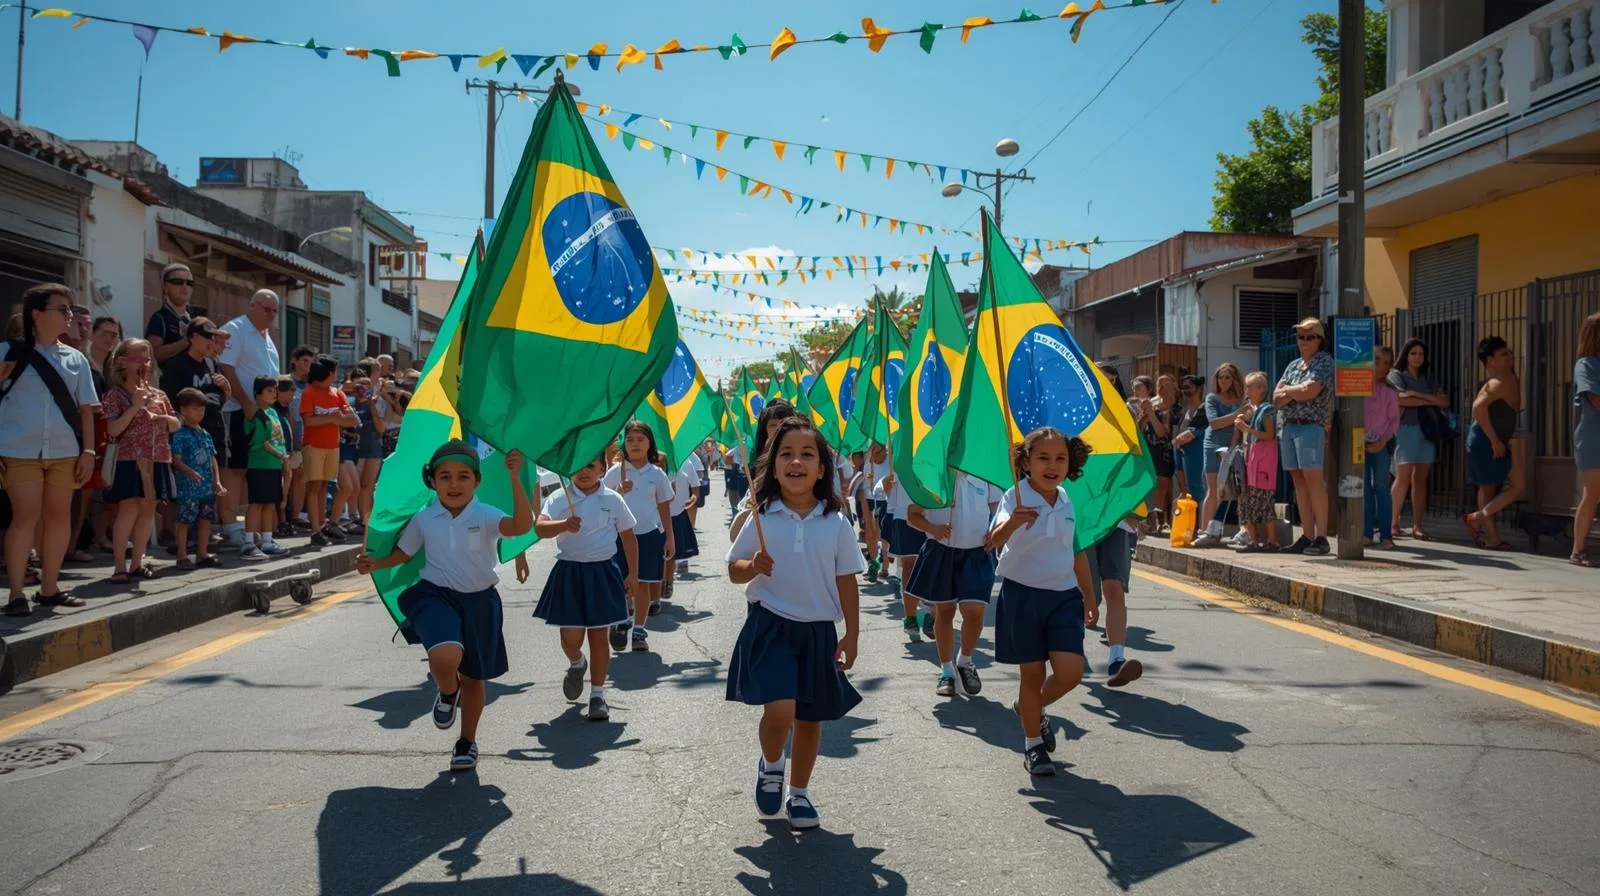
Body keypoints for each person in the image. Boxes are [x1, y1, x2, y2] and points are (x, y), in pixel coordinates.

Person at [356, 442, 533, 773]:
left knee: (474, 676)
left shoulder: (486, 514)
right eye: (445, 477)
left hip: (480, 601)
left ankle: (467, 741)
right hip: (435, 596)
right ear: (432, 481)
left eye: (463, 476)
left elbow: (521, 527)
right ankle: (448, 692)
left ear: (477, 482)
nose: (454, 484)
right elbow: (404, 555)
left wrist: (514, 478)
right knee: (445, 655)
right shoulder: (424, 519)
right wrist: (374, 564)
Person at [725, 417, 864, 830]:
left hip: (819, 630)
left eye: (807, 454)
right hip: (771, 626)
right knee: (781, 710)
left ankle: (799, 793)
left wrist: (851, 634)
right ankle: (771, 763)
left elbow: (846, 580)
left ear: (823, 469)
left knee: (809, 718)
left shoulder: (836, 522)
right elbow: (733, 569)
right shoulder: (762, 516)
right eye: (786, 453)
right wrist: (752, 565)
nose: (796, 461)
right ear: (772, 465)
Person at [988, 427, 1097, 777]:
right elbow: (991, 541)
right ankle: (1033, 744)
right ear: (1026, 462)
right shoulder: (1014, 497)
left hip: (1063, 597)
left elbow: (1075, 550)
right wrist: (1012, 525)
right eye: (1043, 458)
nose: (1052, 466)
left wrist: (1089, 594)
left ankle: (1028, 708)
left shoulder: (1065, 498)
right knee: (1032, 675)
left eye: (1060, 458)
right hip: (1022, 596)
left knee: (1070, 673)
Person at [0, 284, 98, 615]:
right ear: (38, 314)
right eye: (63, 309)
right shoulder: (7, 353)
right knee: (24, 516)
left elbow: (87, 409)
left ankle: (49, 588)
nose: (70, 316)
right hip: (18, 449)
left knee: (58, 518)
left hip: (65, 450)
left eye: (70, 310)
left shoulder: (76, 359)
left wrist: (89, 452)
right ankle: (16, 593)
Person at [531, 456, 638, 721]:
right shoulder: (560, 497)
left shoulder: (613, 499)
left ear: (602, 469)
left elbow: (628, 536)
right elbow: (540, 527)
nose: (584, 472)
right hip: (569, 572)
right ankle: (577, 662)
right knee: (571, 639)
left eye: (590, 465)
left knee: (599, 637)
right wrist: (563, 525)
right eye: (578, 465)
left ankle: (598, 695)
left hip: (602, 572)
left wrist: (633, 574)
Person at [905, 472, 1002, 698]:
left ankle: (965, 661)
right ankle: (946, 670)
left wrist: (996, 530)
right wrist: (933, 528)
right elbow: (913, 515)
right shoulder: (932, 476)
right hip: (941, 552)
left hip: (977, 553)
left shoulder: (984, 474)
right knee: (945, 612)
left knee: (975, 613)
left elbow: (999, 510)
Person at [102, 338, 179, 584]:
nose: (144, 363)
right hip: (129, 458)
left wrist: (166, 419)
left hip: (157, 457)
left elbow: (176, 423)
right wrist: (135, 407)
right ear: (122, 362)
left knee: (148, 510)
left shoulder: (159, 394)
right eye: (138, 358)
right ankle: (118, 566)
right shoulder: (115, 395)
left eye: (147, 358)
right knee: (128, 509)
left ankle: (137, 563)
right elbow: (113, 429)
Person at [217, 290, 282, 551]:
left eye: (275, 311)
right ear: (252, 306)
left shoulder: (267, 338)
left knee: (254, 470)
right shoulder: (236, 329)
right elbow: (226, 367)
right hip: (238, 411)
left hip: (264, 415)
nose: (271, 315)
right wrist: (245, 402)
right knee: (236, 469)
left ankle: (252, 528)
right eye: (267, 309)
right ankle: (230, 524)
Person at [603, 421, 675, 653]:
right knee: (619, 582)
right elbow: (601, 500)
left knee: (643, 583)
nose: (635, 444)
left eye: (640, 439)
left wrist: (669, 537)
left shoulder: (657, 473)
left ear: (649, 444)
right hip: (619, 537)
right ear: (624, 443)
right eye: (631, 439)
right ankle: (622, 619)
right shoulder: (616, 472)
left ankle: (639, 630)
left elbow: (664, 506)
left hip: (649, 535)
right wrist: (618, 490)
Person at [1273, 318, 1335, 555]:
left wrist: (1290, 392)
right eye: (1301, 337)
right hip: (1289, 426)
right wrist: (1294, 392)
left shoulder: (1324, 362)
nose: (1305, 341)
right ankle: (1307, 535)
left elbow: (1312, 390)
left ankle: (1321, 537)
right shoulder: (1293, 365)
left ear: (1320, 340)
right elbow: (1276, 398)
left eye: (1310, 337)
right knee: (1298, 481)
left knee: (1313, 479)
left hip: (1311, 426)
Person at [1463, 337, 1523, 551]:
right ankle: (1491, 537)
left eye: (1509, 352)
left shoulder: (1508, 378)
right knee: (1488, 487)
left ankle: (1479, 518)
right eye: (1503, 354)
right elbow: (1478, 409)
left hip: (1497, 440)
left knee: (1517, 485)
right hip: (1485, 440)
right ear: (1490, 360)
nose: (1510, 357)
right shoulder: (1497, 383)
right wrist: (1495, 440)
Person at [1389, 338, 1450, 540]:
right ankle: (1393, 522)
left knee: (1420, 477)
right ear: (1406, 355)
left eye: (1421, 354)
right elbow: (1399, 398)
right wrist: (1426, 398)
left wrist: (1418, 395)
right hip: (1405, 428)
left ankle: (1417, 525)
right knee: (1403, 475)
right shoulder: (1396, 375)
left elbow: (1443, 401)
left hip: (1427, 430)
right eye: (1413, 353)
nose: (1417, 357)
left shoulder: (1429, 378)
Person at [299, 355, 358, 546]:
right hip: (313, 445)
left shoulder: (337, 393)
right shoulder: (309, 393)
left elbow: (352, 419)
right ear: (330, 373)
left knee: (325, 486)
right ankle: (315, 529)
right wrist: (334, 419)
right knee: (314, 487)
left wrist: (331, 419)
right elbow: (309, 420)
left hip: (332, 446)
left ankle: (322, 525)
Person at [169, 388, 225, 570]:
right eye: (194, 408)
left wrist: (217, 481)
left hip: (206, 486)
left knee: (205, 519)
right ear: (183, 410)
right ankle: (182, 555)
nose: (199, 412)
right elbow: (175, 460)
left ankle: (202, 553)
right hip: (188, 487)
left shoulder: (205, 434)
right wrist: (189, 472)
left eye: (202, 409)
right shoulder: (179, 433)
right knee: (185, 520)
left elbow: (212, 458)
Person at [1192, 364, 1245, 549]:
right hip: (1212, 443)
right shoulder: (1212, 398)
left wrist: (1232, 448)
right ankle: (1204, 530)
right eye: (1221, 377)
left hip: (1231, 446)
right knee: (1213, 490)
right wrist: (1237, 414)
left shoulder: (1240, 399)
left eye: (1227, 377)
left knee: (1228, 490)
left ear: (1234, 379)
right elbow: (1214, 423)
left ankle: (1218, 530)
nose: (1224, 381)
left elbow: (1238, 427)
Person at [241, 376, 289, 561]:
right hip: (259, 464)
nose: (274, 394)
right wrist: (281, 456)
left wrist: (282, 458)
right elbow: (262, 442)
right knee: (257, 503)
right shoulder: (256, 414)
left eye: (275, 390)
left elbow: (279, 439)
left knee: (270, 503)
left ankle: (267, 540)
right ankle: (249, 542)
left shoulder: (273, 413)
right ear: (257, 394)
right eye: (269, 390)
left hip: (274, 465)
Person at [1235, 372, 1280, 553]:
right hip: (1253, 464)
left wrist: (1247, 428)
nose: (1246, 390)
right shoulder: (1254, 411)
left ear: (1261, 389)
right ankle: (1253, 540)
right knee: (1248, 503)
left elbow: (1269, 435)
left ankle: (1272, 541)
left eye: (1249, 387)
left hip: (1263, 465)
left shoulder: (1267, 410)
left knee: (1264, 503)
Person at [1571, 313, 1600, 568]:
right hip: (1593, 435)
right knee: (1593, 493)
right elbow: (1594, 399)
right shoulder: (1586, 363)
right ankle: (1578, 550)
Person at [1364, 347, 1399, 548]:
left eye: (1386, 362)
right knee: (1364, 490)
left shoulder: (1390, 392)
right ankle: (1367, 532)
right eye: (1376, 360)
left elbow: (1394, 421)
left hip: (1381, 445)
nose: (1380, 366)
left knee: (1381, 488)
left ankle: (1386, 535)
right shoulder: (1358, 387)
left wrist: (1382, 441)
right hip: (1359, 443)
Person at [663, 453, 702, 603]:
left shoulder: (686, 464)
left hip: (677, 513)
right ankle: (658, 582)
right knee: (659, 553)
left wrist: (692, 500)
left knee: (672, 553)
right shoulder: (653, 466)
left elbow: (696, 490)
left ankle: (668, 582)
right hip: (657, 516)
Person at [145, 262, 196, 368]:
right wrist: (185, 342)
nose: (184, 286)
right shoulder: (160, 318)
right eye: (178, 282)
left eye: (189, 283)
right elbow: (151, 355)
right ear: (165, 287)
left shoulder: (194, 319)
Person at [1146, 374, 1179, 532]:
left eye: (1166, 385)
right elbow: (1141, 426)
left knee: (1165, 483)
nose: (1163, 388)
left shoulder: (1176, 406)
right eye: (1160, 384)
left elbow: (1163, 433)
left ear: (1174, 386)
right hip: (1151, 446)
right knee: (1155, 483)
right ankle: (1154, 519)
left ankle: (1166, 519)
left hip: (1168, 447)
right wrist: (1147, 413)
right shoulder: (1151, 404)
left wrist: (1152, 414)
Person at [1172, 374, 1208, 505]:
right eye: (1182, 388)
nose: (1184, 390)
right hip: (1185, 462)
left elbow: (1210, 430)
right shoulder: (1183, 412)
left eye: (1188, 387)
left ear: (1199, 389)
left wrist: (1195, 434)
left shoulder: (1207, 409)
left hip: (1201, 461)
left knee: (1202, 497)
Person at [863, 442, 892, 585]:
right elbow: (864, 481)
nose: (874, 456)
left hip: (886, 501)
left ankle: (885, 565)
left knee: (884, 534)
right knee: (872, 534)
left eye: (878, 452)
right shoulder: (869, 464)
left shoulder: (890, 463)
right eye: (872, 453)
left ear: (885, 452)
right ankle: (873, 564)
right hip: (871, 500)